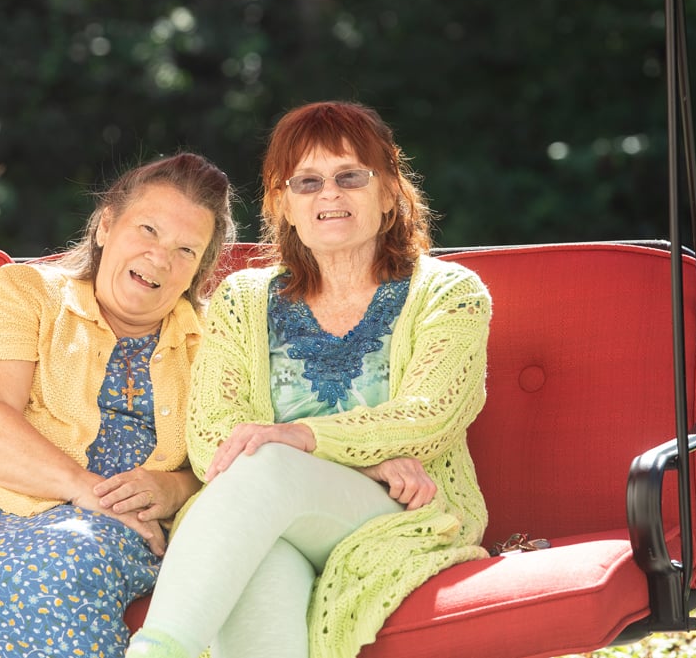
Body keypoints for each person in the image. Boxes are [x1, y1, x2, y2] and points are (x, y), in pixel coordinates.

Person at [125, 101, 492, 658]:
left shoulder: (449, 293)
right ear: (281, 205)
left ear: (390, 191)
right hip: (269, 508)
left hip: (401, 512)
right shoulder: (242, 300)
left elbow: (430, 413)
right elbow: (214, 443)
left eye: (351, 176)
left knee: (263, 462)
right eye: (307, 182)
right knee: (255, 556)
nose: (330, 195)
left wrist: (299, 439)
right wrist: (361, 456)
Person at [0, 152, 236, 658]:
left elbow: (240, 458)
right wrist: (81, 488)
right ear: (106, 224)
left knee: (60, 566)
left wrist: (175, 487)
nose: (159, 258)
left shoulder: (217, 340)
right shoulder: (25, 293)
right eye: (148, 230)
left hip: (115, 523)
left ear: (199, 270)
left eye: (185, 250)